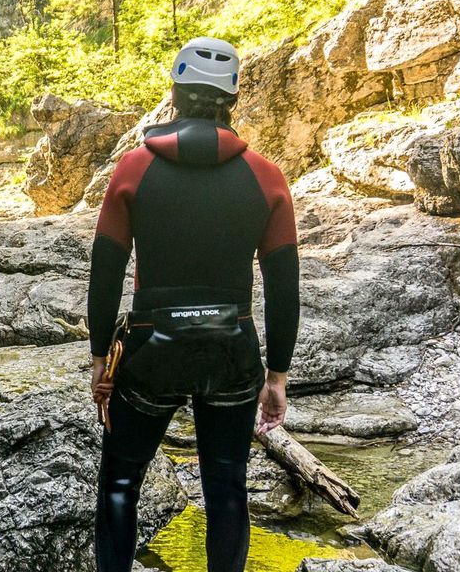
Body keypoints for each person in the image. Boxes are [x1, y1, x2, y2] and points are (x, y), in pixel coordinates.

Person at [87, 36, 300, 572]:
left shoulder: (134, 167)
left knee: (120, 484)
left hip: (149, 350)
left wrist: (100, 358)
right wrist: (277, 375)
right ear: (232, 98)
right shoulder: (267, 176)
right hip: (232, 349)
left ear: (175, 93)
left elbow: (106, 269)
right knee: (227, 488)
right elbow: (284, 286)